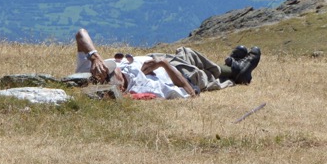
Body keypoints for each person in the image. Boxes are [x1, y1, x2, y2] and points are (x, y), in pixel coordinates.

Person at [74, 28, 261, 99]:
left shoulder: (89, 70)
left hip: (156, 57)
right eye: (113, 72)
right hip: (178, 72)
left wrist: (94, 57)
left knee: (187, 52)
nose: (115, 68)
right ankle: (237, 70)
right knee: (204, 72)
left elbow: (81, 34)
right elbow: (191, 92)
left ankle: (234, 67)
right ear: (118, 85)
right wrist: (163, 64)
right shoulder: (142, 89)